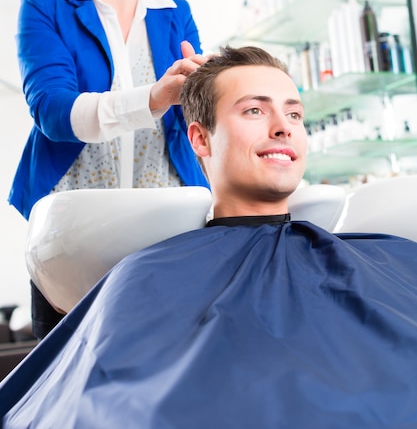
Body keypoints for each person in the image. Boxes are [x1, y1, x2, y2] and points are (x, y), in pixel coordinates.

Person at [2, 45, 417, 428]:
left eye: (294, 114)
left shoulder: (384, 256)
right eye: (255, 110)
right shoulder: (146, 275)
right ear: (201, 138)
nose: (283, 128)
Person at [7, 0, 208, 340]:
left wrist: (213, 92)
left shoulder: (175, 11)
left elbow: (197, 122)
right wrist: (154, 98)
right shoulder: (44, 4)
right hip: (72, 237)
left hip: (168, 228)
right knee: (71, 389)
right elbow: (53, 112)